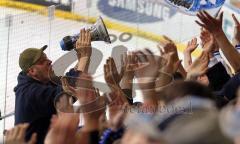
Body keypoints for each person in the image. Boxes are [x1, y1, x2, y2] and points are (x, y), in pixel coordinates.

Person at [14, 29, 92, 144]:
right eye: (42, 61)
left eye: (46, 57)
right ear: (32, 71)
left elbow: (68, 82)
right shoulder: (30, 93)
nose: (49, 61)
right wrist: (84, 56)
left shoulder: (42, 79)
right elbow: (66, 95)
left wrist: (83, 56)